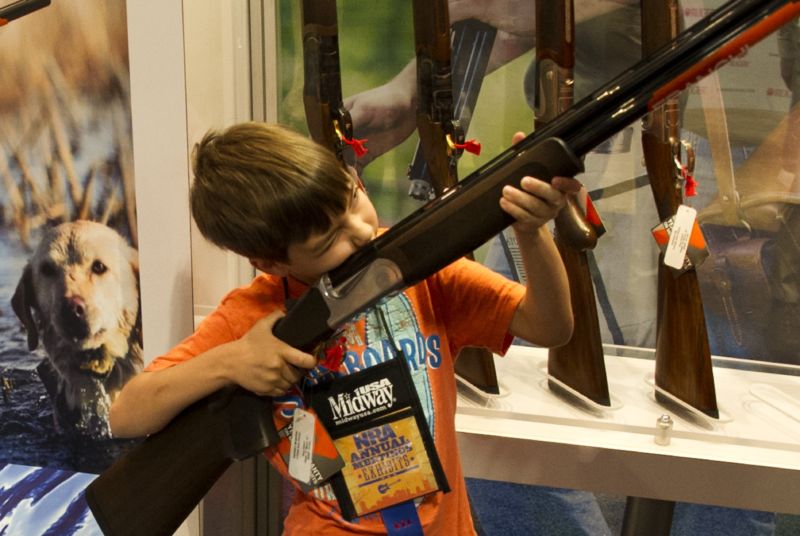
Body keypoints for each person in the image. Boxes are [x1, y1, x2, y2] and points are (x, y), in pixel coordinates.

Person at [107, 121, 581, 534]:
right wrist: (230, 362)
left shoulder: (415, 269)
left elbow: (549, 326)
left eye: (354, 197)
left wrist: (531, 231)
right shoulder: (253, 315)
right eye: (330, 238)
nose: (360, 231)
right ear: (269, 262)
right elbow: (126, 414)